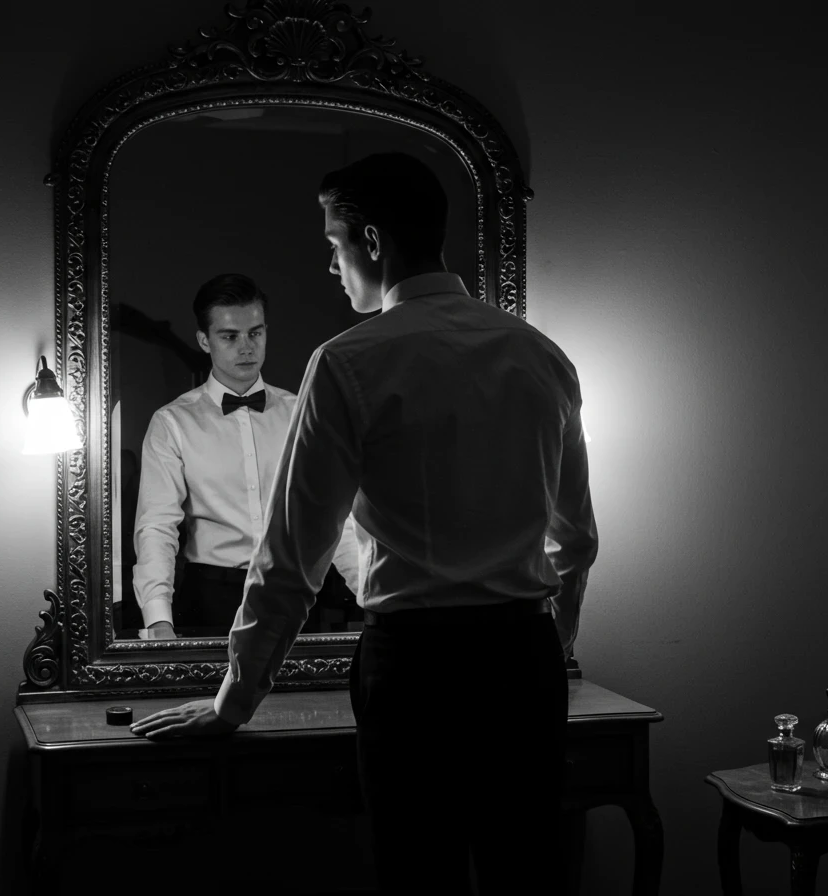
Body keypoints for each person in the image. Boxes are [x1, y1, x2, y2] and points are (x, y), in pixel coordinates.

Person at [131, 154, 597, 896]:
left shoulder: (348, 364)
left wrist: (234, 701)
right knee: (529, 876)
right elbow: (577, 541)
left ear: (372, 243)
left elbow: (290, 560)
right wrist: (554, 638)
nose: (330, 265)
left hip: (415, 672)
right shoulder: (541, 356)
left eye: (333, 244)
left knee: (420, 880)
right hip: (524, 662)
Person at [130, 273, 360, 638]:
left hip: (296, 593)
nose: (246, 347)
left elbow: (336, 516)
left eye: (255, 332)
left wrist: (372, 596)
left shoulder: (303, 412)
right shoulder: (172, 423)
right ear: (205, 341)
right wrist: (158, 619)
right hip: (209, 598)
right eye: (230, 336)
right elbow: (157, 527)